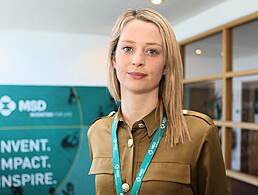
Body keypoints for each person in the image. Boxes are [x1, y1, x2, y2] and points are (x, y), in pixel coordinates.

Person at [88, 8, 229, 195]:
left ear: (166, 65)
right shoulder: (97, 132)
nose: (138, 60)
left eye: (152, 51)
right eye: (128, 49)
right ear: (114, 58)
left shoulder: (199, 132)